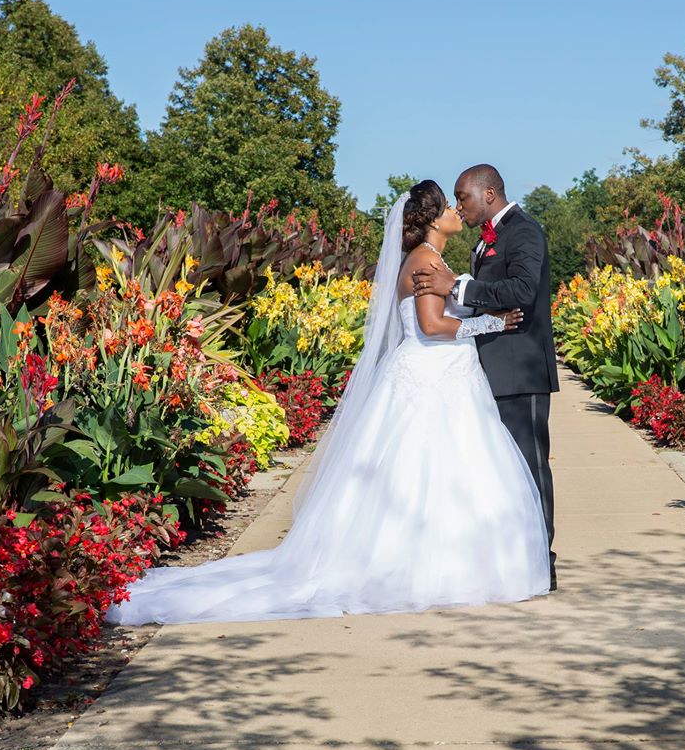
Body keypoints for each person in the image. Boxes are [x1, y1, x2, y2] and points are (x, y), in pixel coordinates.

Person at [104, 180, 550, 625]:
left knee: (439, 471)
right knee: (428, 469)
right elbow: (432, 327)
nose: (457, 210)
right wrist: (488, 325)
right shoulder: (426, 261)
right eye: (449, 204)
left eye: (460, 201)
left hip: (438, 375)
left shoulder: (430, 260)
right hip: (432, 374)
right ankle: (431, 566)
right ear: (433, 219)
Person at [412, 165, 559, 590]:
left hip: (520, 370)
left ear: (489, 193)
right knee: (499, 472)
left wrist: (457, 286)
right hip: (484, 372)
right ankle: (511, 558)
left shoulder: (525, 231)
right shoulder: (484, 239)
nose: (459, 206)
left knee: (530, 468)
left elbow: (522, 291)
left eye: (464, 197)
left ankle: (542, 563)